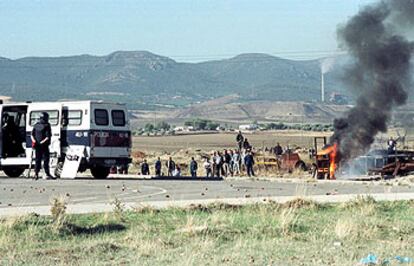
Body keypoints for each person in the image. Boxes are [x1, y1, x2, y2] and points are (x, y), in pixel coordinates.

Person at [31, 112, 53, 180]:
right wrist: (42, 142)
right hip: (44, 146)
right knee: (46, 160)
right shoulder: (47, 125)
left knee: (38, 160)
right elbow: (48, 136)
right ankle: (47, 174)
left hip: (37, 145)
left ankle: (36, 174)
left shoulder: (36, 125)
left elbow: (32, 135)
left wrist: (34, 141)